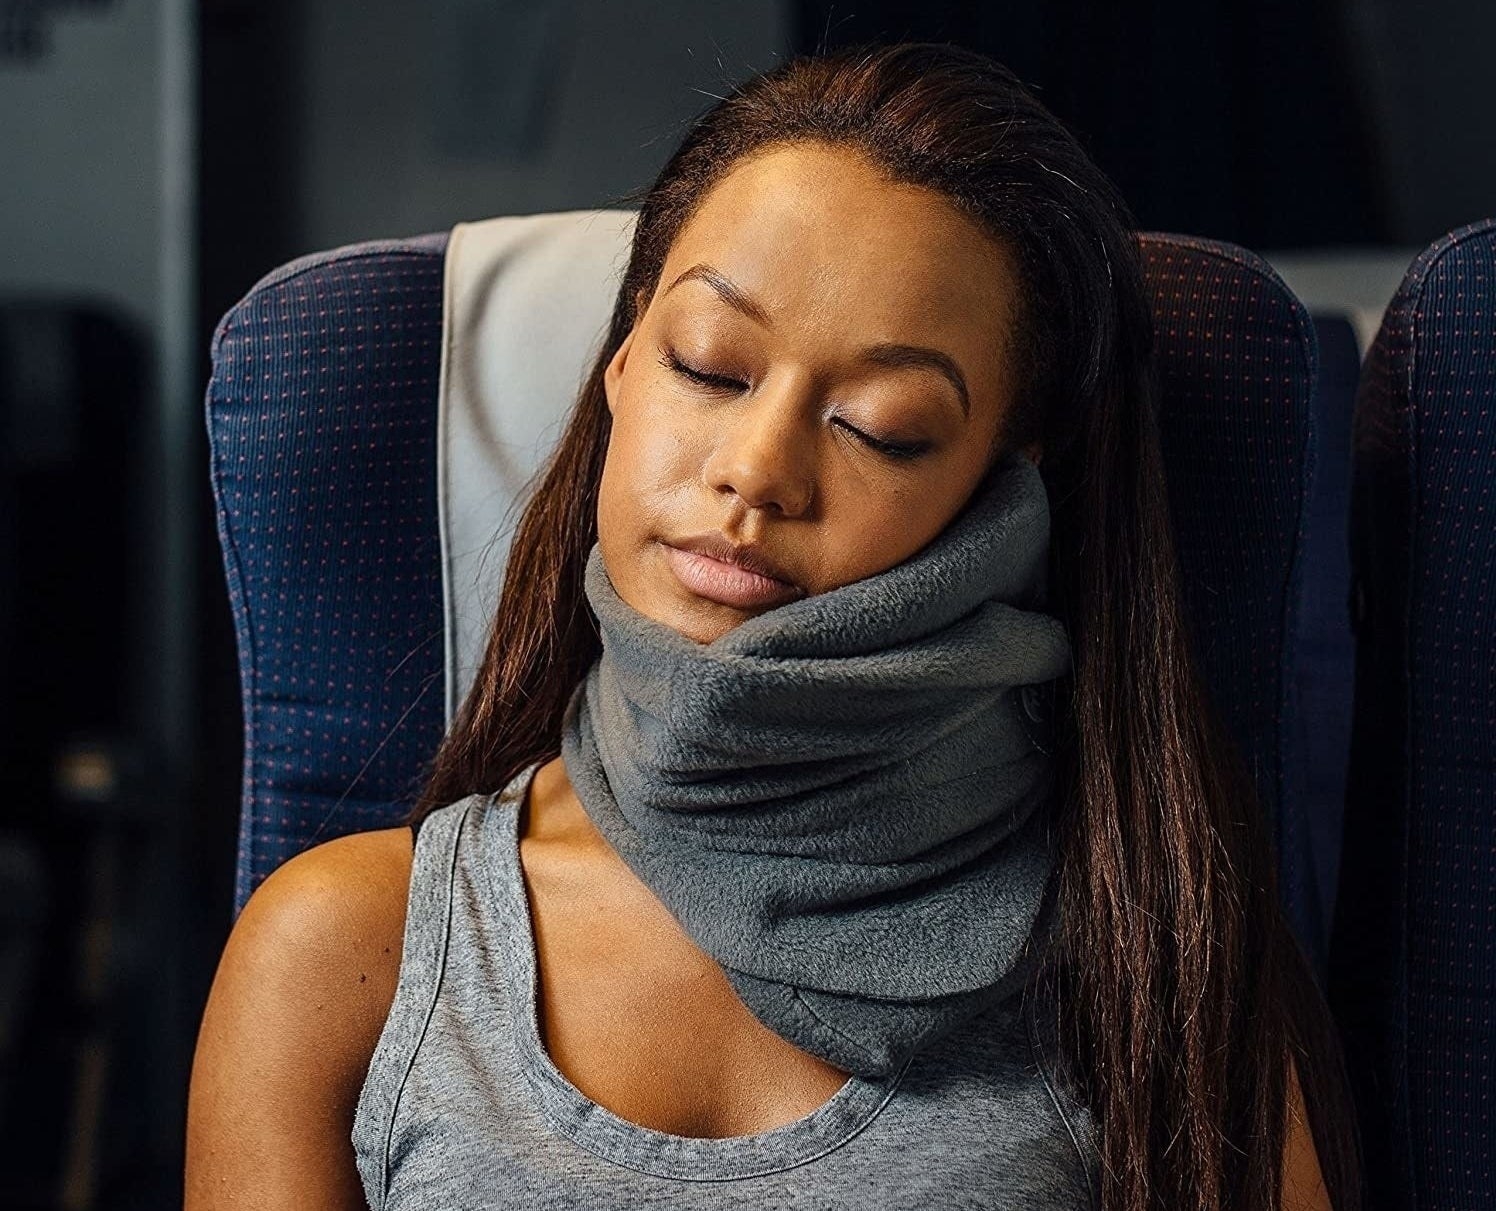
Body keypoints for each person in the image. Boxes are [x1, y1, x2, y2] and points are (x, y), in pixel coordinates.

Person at [185, 41, 1362, 1211]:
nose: (756, 473)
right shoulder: (345, 949)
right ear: (622, 358)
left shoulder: (1153, 953)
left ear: (1002, 481)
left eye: (883, 427)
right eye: (707, 367)